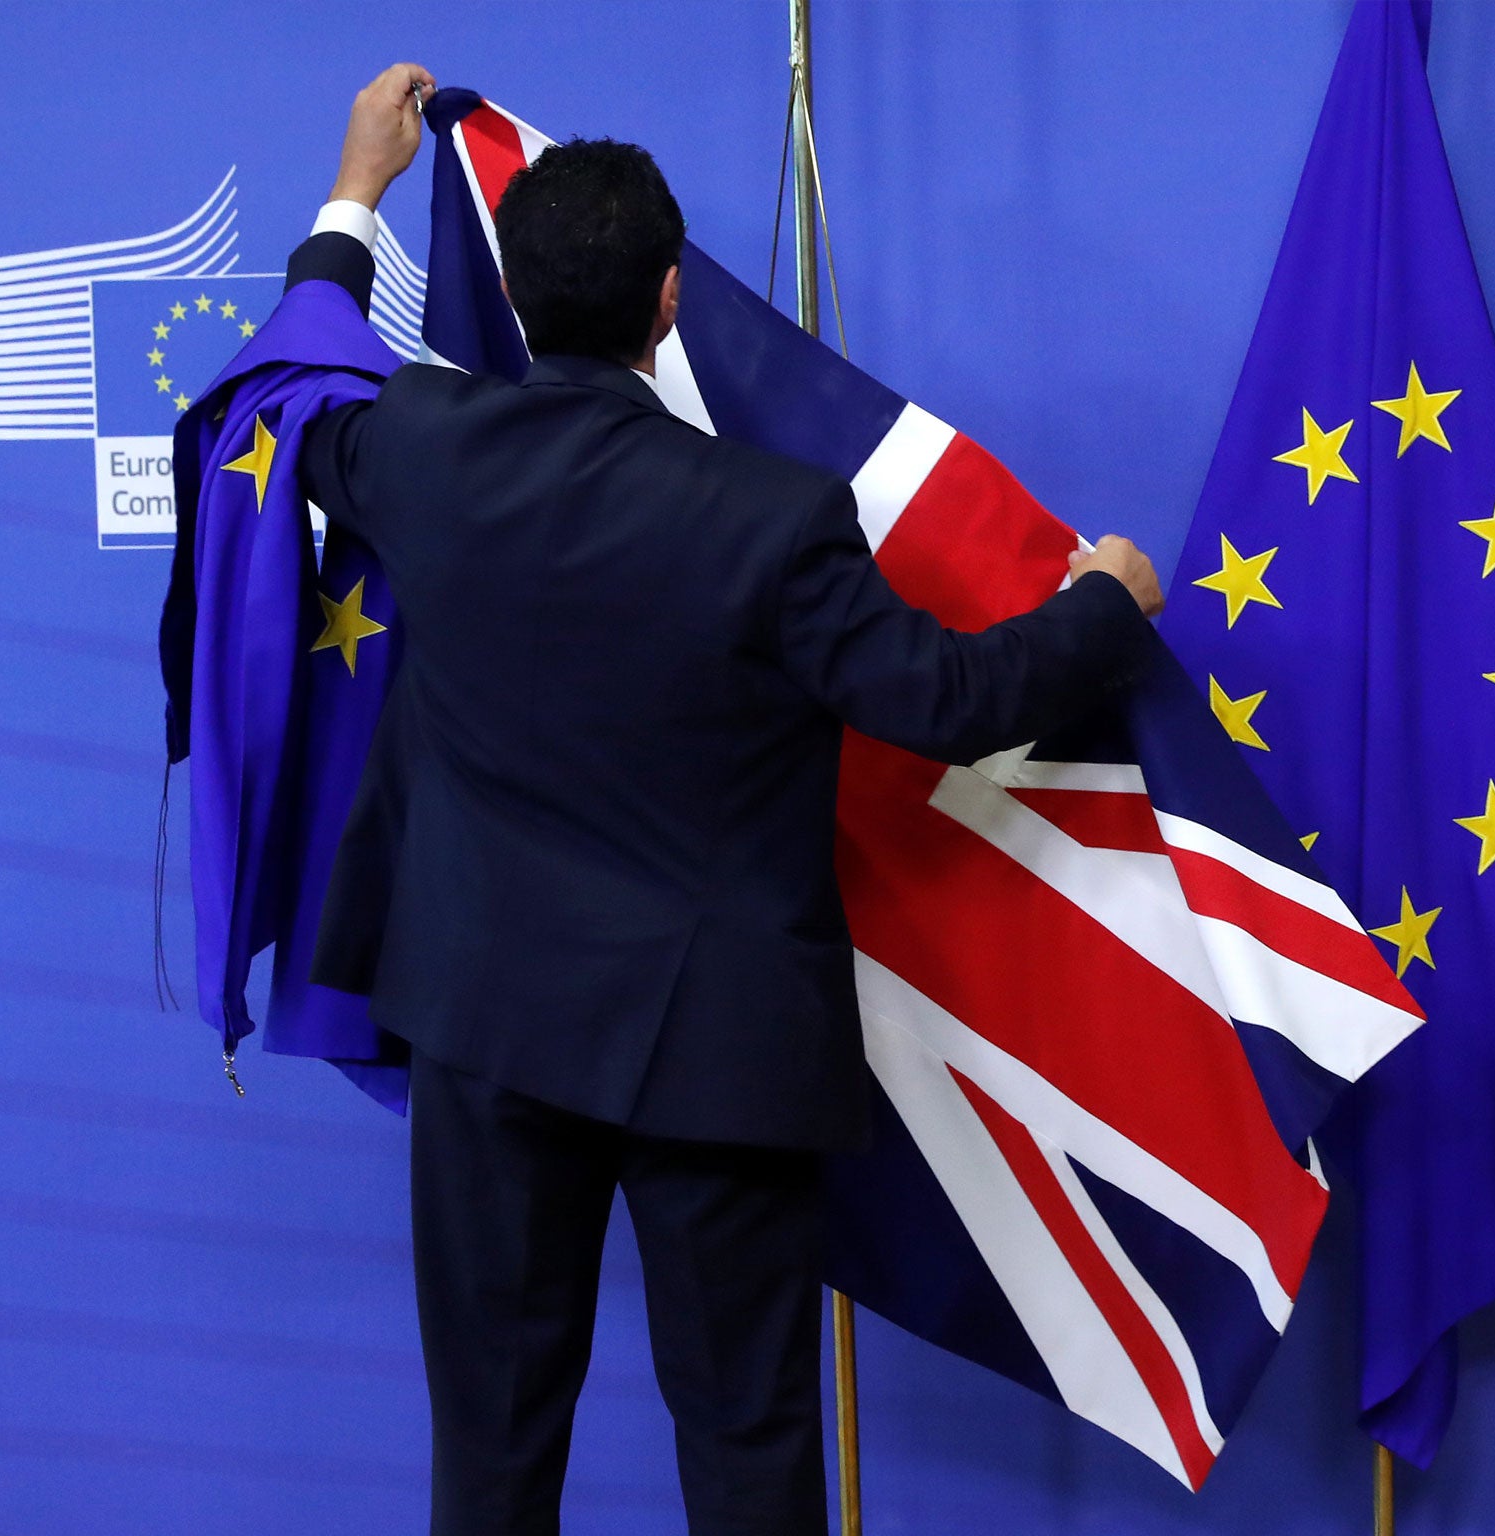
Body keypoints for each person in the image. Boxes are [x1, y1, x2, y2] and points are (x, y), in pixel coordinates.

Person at [284, 64, 1165, 1536]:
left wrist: (354, 195)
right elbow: (943, 703)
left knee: (490, 1453)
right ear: (671, 299)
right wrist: (1102, 607)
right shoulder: (773, 517)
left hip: (489, 1028)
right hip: (717, 1053)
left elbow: (295, 387)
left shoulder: (418, 453)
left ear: (504, 284)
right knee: (750, 1455)